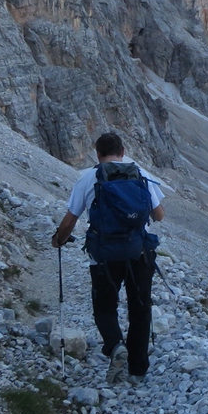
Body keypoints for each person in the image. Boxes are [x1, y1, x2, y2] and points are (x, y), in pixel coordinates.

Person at [51, 132, 164, 385]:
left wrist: (58, 239)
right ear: (123, 151)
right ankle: (138, 369)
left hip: (103, 256)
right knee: (140, 308)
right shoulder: (140, 174)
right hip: (139, 252)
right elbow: (159, 215)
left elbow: (71, 220)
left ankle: (115, 346)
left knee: (104, 307)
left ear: (97, 154)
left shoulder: (88, 178)